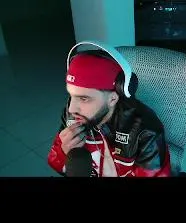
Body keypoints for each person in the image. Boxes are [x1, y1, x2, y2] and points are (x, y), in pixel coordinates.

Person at [49, 45, 171, 177]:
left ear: (113, 99)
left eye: (84, 98)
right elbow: (56, 163)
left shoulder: (146, 131)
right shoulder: (73, 114)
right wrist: (63, 151)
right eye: (72, 95)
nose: (72, 108)